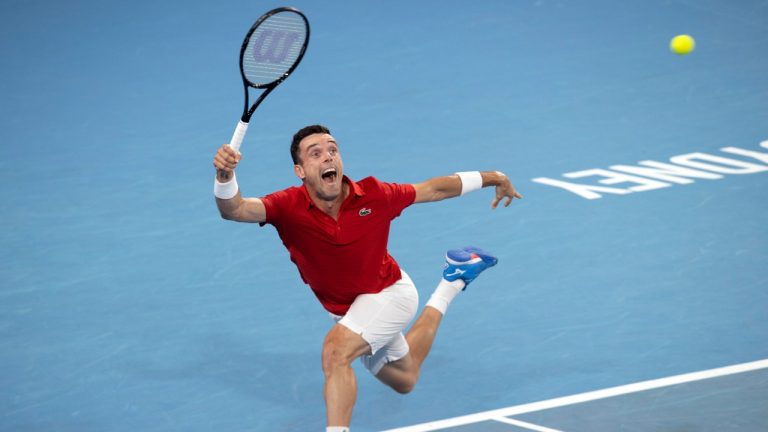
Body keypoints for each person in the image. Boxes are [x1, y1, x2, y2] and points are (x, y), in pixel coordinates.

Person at [212, 124, 522, 431]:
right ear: (300, 171)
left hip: (390, 294)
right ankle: (453, 279)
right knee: (406, 379)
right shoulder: (286, 206)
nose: (328, 157)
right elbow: (234, 209)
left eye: (333, 150)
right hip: (349, 312)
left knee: (335, 353)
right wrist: (225, 176)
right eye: (315, 153)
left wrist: (494, 176)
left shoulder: (374, 195)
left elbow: (434, 188)